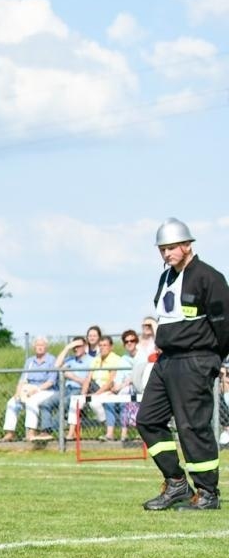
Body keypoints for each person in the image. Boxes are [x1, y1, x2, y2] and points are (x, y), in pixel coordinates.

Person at [138, 219, 229, 510]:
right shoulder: (165, 278)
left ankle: (207, 493)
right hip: (166, 361)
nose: (166, 254)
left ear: (187, 245)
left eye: (171, 248)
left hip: (196, 360)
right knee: (147, 420)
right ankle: (176, 482)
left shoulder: (209, 277)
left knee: (192, 427)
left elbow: (224, 325)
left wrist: (215, 360)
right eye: (162, 249)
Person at [1, 337, 58, 440]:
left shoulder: (51, 360)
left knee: (32, 402)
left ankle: (31, 433)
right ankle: (10, 433)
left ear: (46, 347)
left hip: (46, 390)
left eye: (42, 345)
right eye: (38, 345)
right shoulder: (30, 361)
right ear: (34, 347)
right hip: (29, 389)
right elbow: (23, 379)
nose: (40, 347)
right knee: (11, 402)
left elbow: (51, 382)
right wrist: (17, 393)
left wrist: (35, 390)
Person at [85, 333, 130, 440]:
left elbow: (110, 381)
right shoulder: (96, 359)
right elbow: (88, 378)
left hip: (109, 390)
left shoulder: (116, 359)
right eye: (100, 345)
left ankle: (111, 431)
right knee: (77, 402)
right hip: (96, 390)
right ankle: (70, 434)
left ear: (111, 347)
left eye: (105, 345)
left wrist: (95, 394)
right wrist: (83, 393)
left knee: (99, 402)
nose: (102, 347)